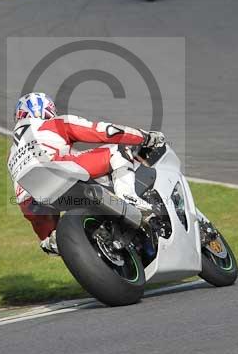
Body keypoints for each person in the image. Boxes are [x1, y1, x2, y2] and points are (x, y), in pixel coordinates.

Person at [9, 92, 165, 255]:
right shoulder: (54, 124)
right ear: (48, 109)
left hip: (31, 201)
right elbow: (106, 131)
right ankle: (129, 197)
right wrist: (145, 137)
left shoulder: (11, 153)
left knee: (53, 237)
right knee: (118, 150)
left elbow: (23, 194)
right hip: (59, 171)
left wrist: (48, 234)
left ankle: (55, 238)